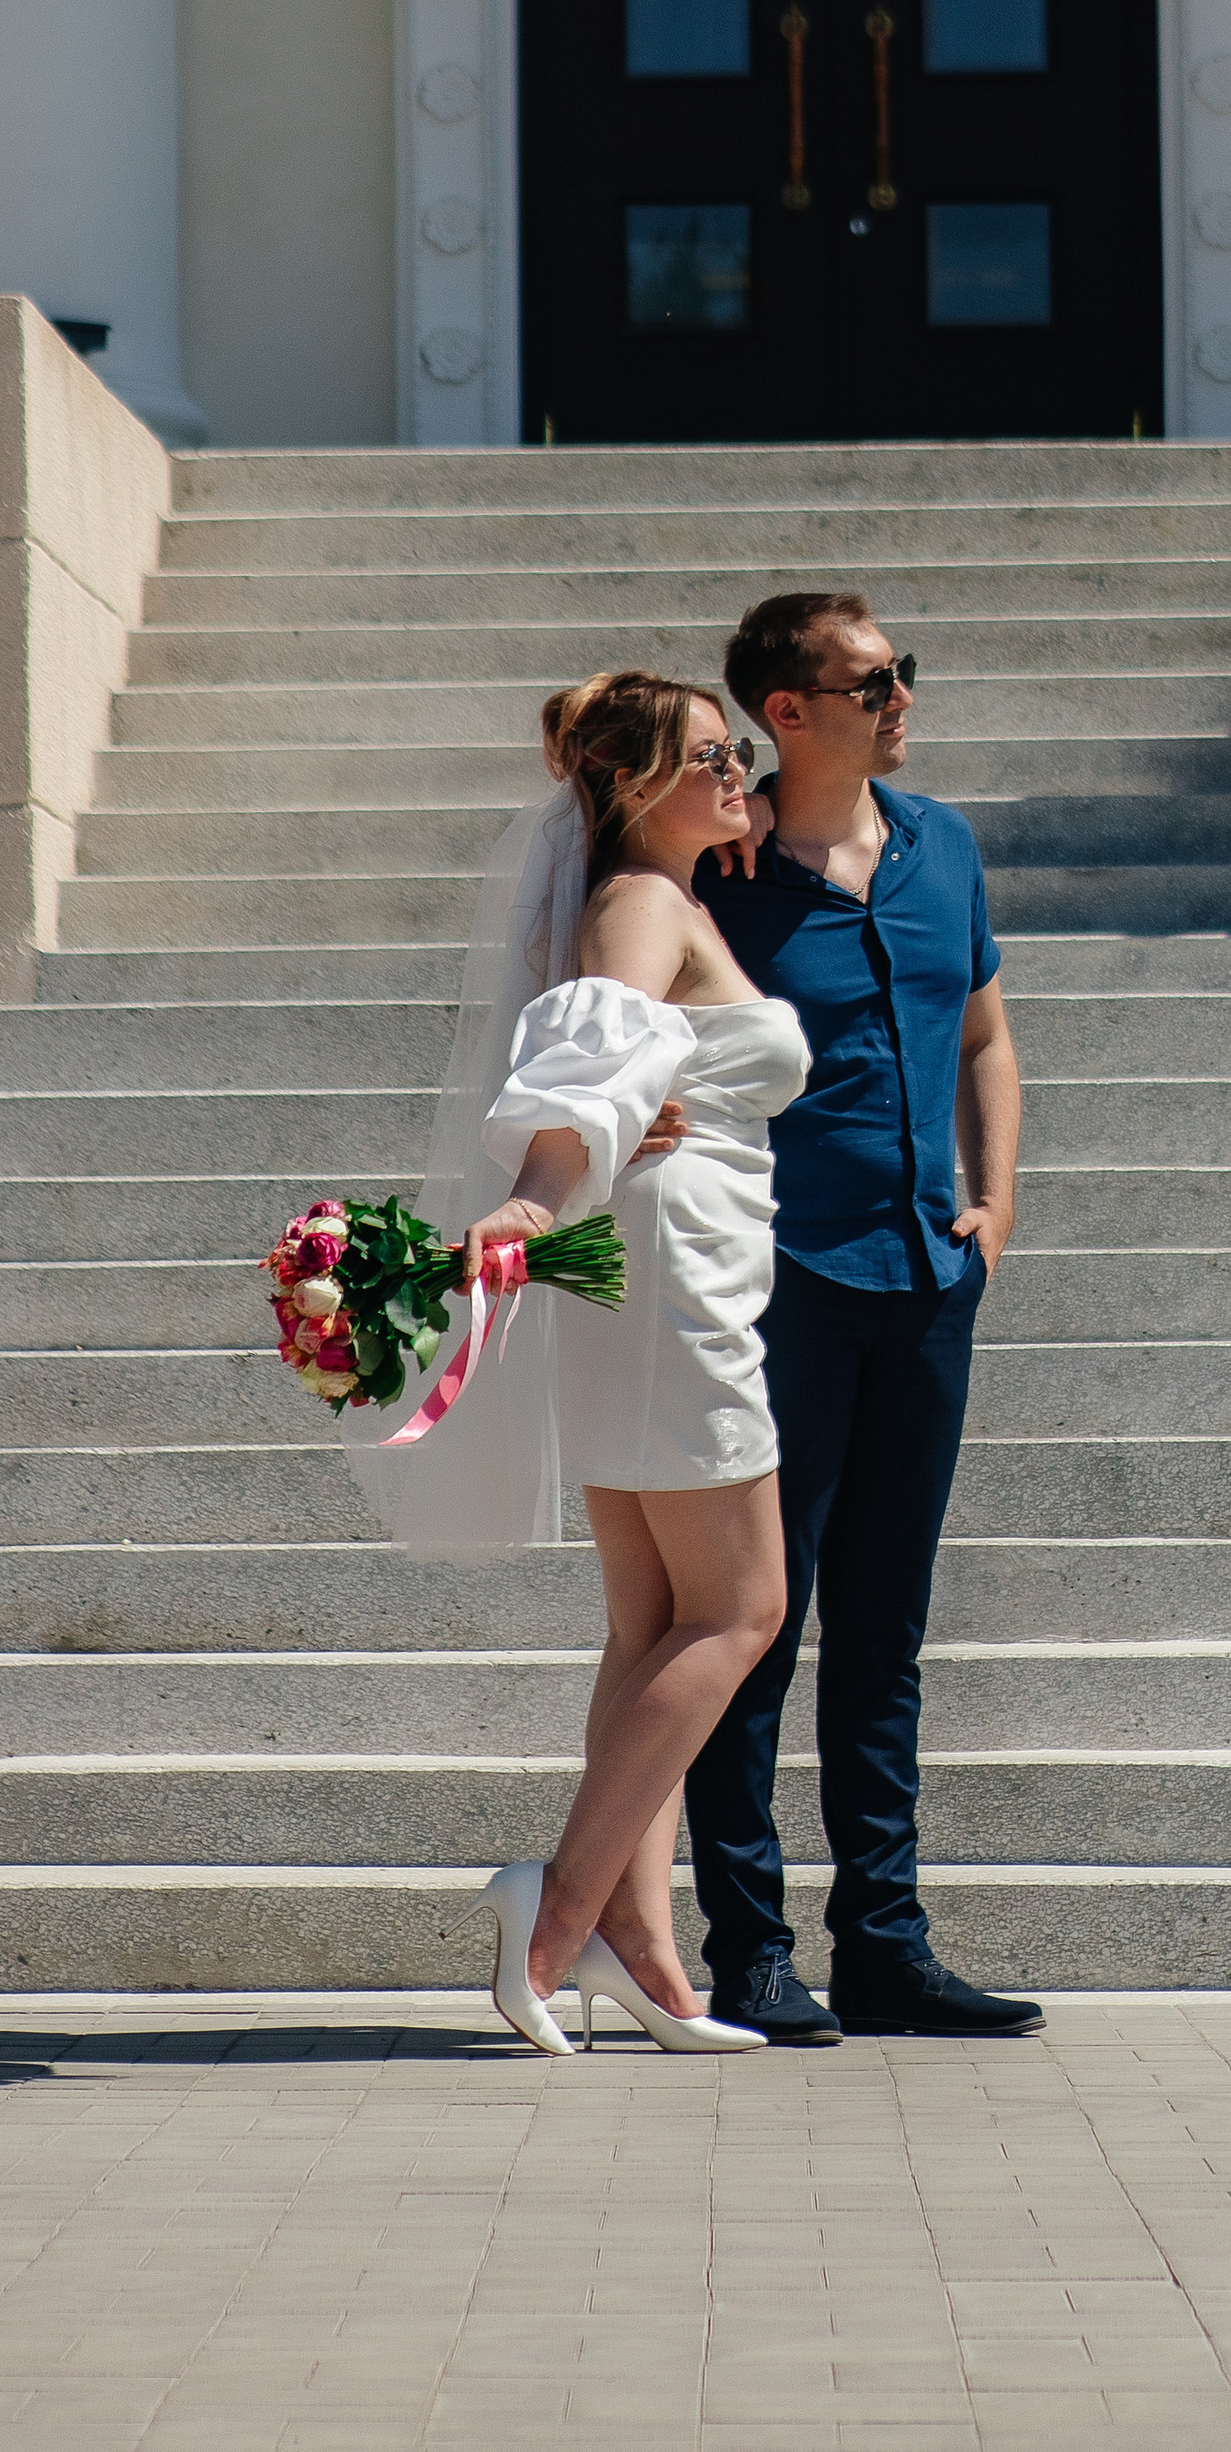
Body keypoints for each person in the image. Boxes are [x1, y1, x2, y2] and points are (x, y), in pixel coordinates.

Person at [348, 669, 809, 2056]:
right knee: (741, 1612)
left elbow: (623, 1073)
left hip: (669, 1271)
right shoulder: (642, 903)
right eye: (716, 760)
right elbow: (587, 1065)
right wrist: (537, 1202)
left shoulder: (664, 897)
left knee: (656, 1621)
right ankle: (551, 1918)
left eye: (744, 757)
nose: (745, 781)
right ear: (633, 784)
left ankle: (642, 1948)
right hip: (672, 1291)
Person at [682, 589, 1043, 2047]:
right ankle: (750, 1951)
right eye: (875, 679)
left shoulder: (941, 843)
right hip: (781, 1292)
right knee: (757, 1627)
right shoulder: (720, 870)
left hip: (923, 1280)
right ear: (788, 711)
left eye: (905, 671)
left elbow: (988, 1029)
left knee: (886, 1629)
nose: (904, 695)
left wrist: (996, 1201)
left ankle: (886, 1942)